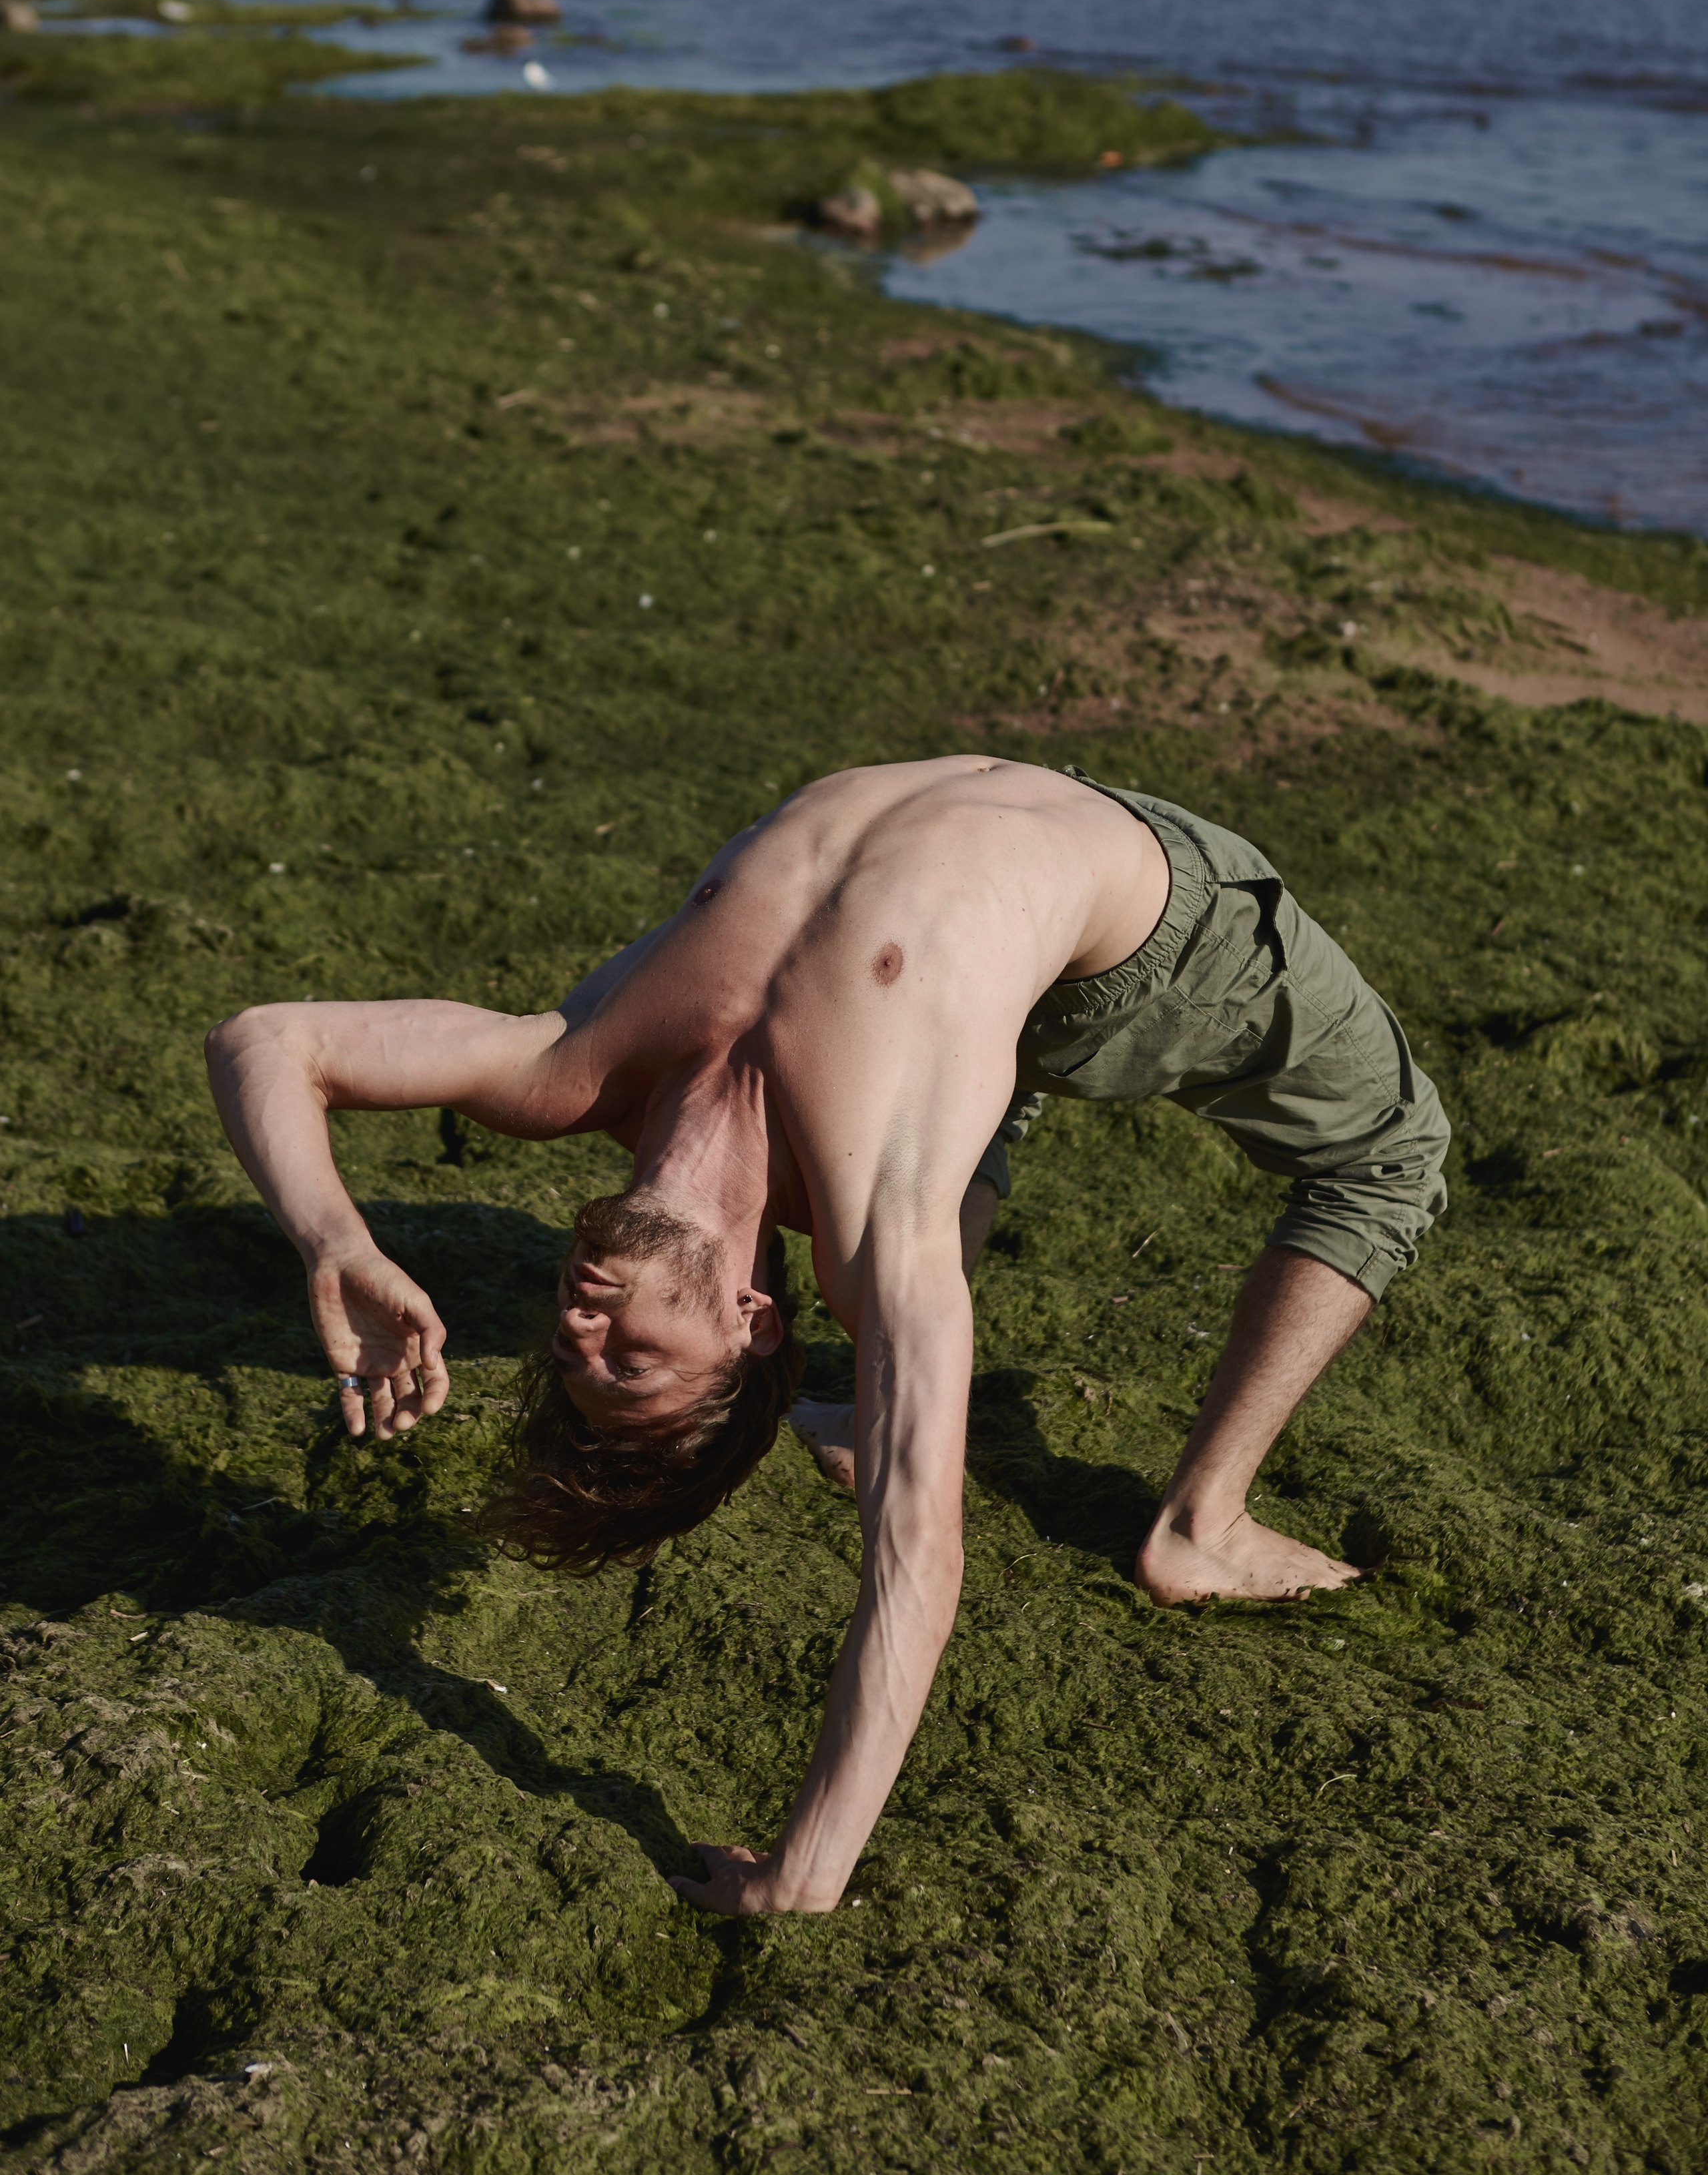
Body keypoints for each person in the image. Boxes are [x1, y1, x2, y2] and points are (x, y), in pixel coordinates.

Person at [205, 756, 1448, 1916]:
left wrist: (336, 1242)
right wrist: (805, 1869)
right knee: (1395, 1153)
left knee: (956, 1092)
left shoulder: (572, 1070)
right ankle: (1199, 1527)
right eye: (632, 1360)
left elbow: (266, 1039)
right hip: (1139, 916)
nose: (581, 1321)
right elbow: (915, 1564)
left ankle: (868, 1414)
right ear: (750, 1320)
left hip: (1000, 864)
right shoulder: (885, 1240)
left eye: (574, 1348)